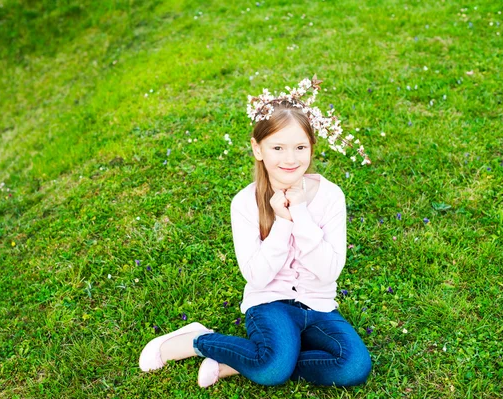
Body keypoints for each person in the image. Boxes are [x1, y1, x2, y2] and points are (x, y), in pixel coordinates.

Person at [139, 77, 372, 388]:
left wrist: (300, 213)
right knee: (272, 371)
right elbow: (258, 278)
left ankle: (240, 361)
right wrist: (283, 222)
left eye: (300, 147)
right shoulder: (245, 203)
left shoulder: (331, 196)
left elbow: (328, 272)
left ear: (312, 148)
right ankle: (197, 339)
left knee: (354, 367)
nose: (290, 159)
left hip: (319, 307)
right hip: (270, 302)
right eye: (278, 147)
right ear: (258, 149)